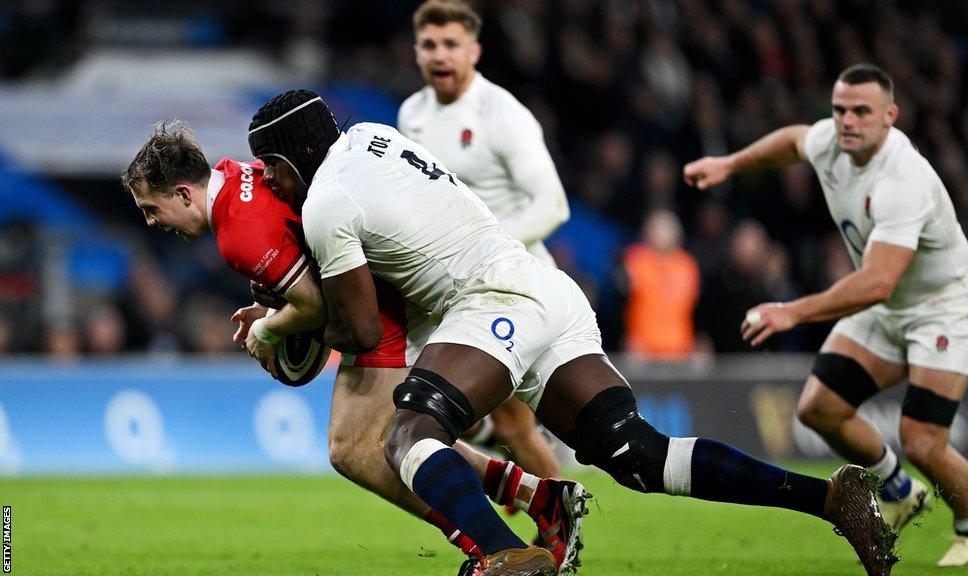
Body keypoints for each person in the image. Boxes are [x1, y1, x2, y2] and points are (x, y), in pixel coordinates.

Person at [248, 89, 897, 576]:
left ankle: (503, 556)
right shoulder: (368, 135)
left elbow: (361, 329)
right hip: (546, 287)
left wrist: (283, 329)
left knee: (410, 432)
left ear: (292, 154)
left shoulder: (327, 200)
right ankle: (831, 499)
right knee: (639, 454)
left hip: (493, 299)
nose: (269, 181)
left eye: (269, 166)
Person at [121, 121, 584, 574]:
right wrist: (271, 311)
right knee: (388, 443)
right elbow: (298, 264)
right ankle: (536, 498)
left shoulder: (235, 233)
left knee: (355, 449)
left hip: (379, 309)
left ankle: (494, 546)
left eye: (150, 208)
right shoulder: (237, 174)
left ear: (183, 194)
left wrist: (269, 331)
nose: (150, 221)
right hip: (383, 289)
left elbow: (313, 305)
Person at [683, 63, 968, 568]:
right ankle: (899, 490)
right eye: (840, 109)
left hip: (945, 307)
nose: (847, 121)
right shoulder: (832, 140)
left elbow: (877, 281)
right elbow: (793, 141)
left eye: (862, 111)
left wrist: (793, 311)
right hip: (889, 305)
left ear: (890, 117)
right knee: (819, 408)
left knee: (921, 438)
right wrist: (730, 164)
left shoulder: (903, 179)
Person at [398, 0, 569, 484]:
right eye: (429, 45)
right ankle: (548, 505)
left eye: (451, 44)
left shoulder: (503, 115)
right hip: (453, 289)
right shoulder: (412, 114)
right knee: (486, 419)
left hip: (514, 285)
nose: (439, 55)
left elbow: (553, 203)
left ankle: (554, 511)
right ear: (416, 51)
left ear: (474, 51)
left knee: (498, 421)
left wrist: (485, 247)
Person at [620, 209, 701, 359]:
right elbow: (621, 298)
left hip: (681, 349)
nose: (662, 235)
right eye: (657, 229)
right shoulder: (636, 260)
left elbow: (697, 307)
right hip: (643, 350)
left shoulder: (687, 265)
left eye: (667, 229)